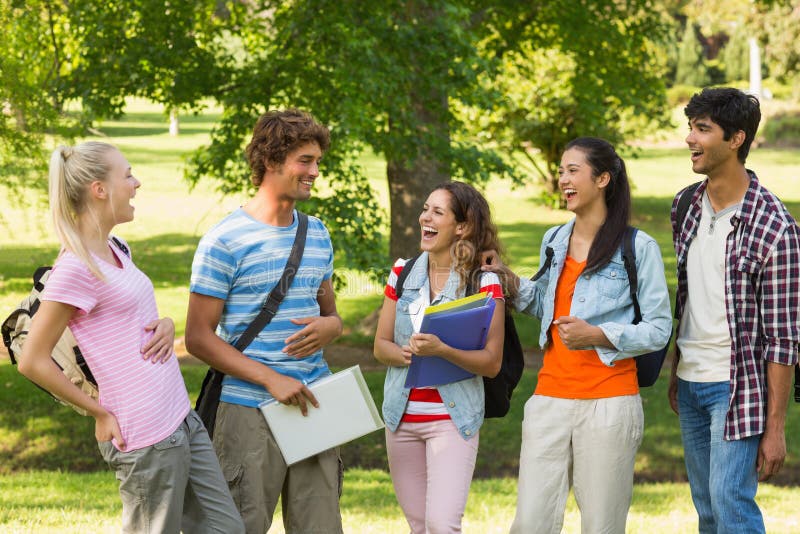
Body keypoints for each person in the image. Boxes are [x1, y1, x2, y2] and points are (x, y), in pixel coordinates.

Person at [19, 141, 244, 534]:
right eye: (127, 175)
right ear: (99, 189)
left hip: (179, 417)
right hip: (143, 436)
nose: (136, 183)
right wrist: (99, 413)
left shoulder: (116, 247)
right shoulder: (75, 267)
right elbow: (32, 360)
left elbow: (130, 318)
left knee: (226, 528)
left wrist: (167, 323)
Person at [482, 137, 672, 533]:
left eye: (573, 171)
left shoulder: (638, 247)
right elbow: (543, 306)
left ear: (602, 178)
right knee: (531, 523)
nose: (563, 179)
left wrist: (598, 334)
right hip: (549, 400)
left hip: (609, 403)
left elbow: (658, 329)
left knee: (601, 524)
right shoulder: (554, 239)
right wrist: (507, 278)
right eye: (561, 170)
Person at [185, 109, 344, 534]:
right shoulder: (224, 241)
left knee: (321, 527)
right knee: (242, 525)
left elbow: (329, 312)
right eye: (305, 161)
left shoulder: (318, 233)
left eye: (317, 162)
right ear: (272, 161)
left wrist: (333, 327)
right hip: (247, 409)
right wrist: (271, 379)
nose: (314, 172)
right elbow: (198, 337)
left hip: (314, 402)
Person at [668, 87, 800, 533]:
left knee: (731, 507)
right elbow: (688, 300)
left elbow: (784, 338)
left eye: (703, 129)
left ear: (736, 138)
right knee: (708, 510)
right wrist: (675, 373)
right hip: (690, 382)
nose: (690, 138)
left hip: (735, 387)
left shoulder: (775, 228)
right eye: (691, 127)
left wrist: (776, 427)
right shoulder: (685, 205)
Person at [373, 181, 508, 534]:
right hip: (400, 419)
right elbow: (380, 345)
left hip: (451, 420)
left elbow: (492, 362)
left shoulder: (483, 282)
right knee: (419, 526)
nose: (425, 218)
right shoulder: (402, 272)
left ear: (461, 227)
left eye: (437, 212)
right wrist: (405, 353)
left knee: (441, 525)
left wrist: (442, 350)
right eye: (424, 209)